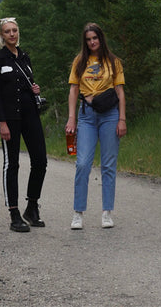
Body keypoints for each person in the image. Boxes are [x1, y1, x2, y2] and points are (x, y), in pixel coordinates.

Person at [65, 22, 127, 230]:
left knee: (108, 164)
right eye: (88, 39)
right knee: (82, 163)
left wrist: (122, 119)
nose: (92, 42)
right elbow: (74, 90)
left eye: (95, 38)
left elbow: (120, 92)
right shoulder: (79, 62)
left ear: (101, 38)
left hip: (110, 114)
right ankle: (78, 212)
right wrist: (71, 118)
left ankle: (107, 211)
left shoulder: (113, 61)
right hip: (87, 116)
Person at [0, 17, 47, 233]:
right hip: (10, 118)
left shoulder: (25, 57)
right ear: (1, 36)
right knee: (11, 164)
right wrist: (1, 122)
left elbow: (28, 83)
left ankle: (32, 207)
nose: (12, 34)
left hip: (30, 115)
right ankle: (14, 213)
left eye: (14, 30)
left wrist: (35, 90)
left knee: (40, 160)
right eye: (7, 31)